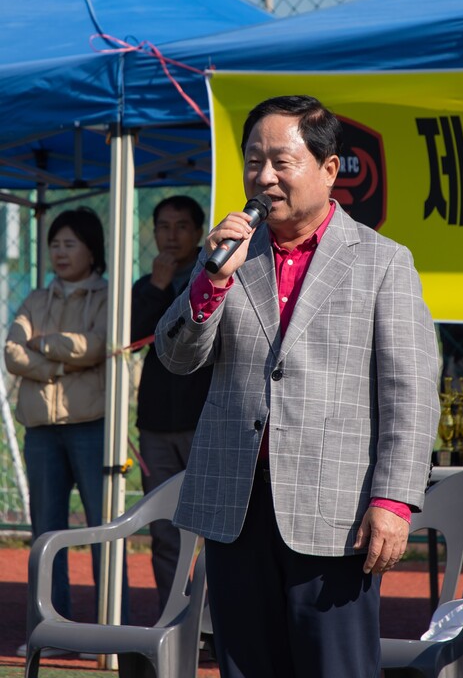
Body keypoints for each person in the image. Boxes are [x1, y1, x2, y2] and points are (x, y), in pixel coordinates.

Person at [155, 95, 441, 678]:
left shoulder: (382, 261)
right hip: (236, 502)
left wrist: (393, 501)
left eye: (281, 162)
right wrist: (210, 282)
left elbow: (409, 392)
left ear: (329, 169)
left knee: (335, 666)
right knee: (246, 663)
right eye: (253, 161)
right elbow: (176, 355)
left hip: (335, 511)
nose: (263, 177)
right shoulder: (228, 253)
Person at [4, 207, 110, 654]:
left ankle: (107, 631)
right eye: (54, 244)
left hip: (90, 427)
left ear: (92, 250)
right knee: (46, 532)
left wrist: (44, 348)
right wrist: (62, 363)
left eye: (70, 244)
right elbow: (11, 351)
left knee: (104, 528)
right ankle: (50, 633)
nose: (59, 252)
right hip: (42, 431)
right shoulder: (34, 299)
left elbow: (97, 345)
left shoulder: (107, 297)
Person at [131, 195, 213, 613]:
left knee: (213, 530)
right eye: (164, 226)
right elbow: (131, 337)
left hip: (204, 421)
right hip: (157, 425)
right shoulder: (147, 285)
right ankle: (172, 617)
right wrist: (158, 288)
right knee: (164, 530)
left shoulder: (214, 274)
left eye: (182, 226)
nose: (172, 235)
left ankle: (213, 625)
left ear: (198, 232)